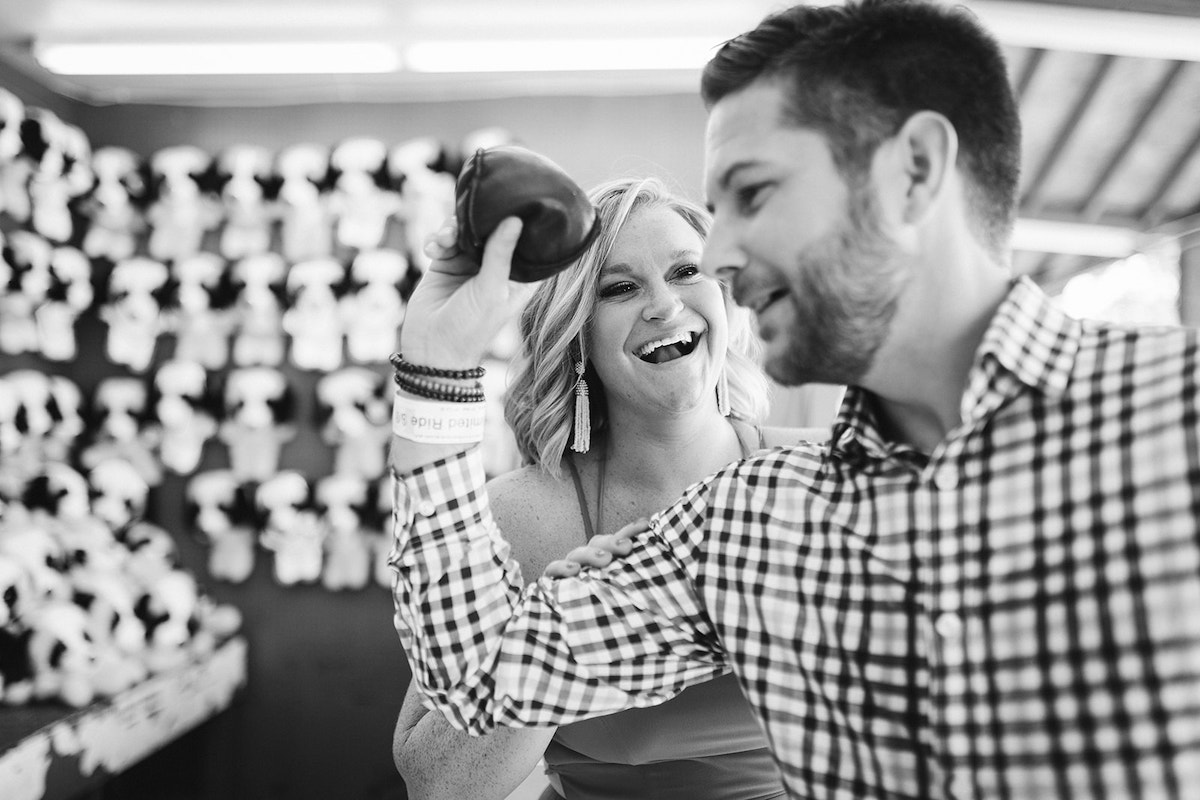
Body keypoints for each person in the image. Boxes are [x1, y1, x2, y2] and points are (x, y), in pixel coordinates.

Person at [387, 2, 1200, 798]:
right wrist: (437, 370)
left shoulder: (1175, 414)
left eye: (755, 193)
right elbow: (478, 685)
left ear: (913, 171)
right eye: (622, 287)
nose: (722, 256)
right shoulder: (749, 522)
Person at [393, 177, 810, 800]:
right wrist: (552, 632)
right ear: (578, 336)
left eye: (686, 271)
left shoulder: (816, 479)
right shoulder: (519, 516)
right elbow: (437, 784)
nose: (665, 305)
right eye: (621, 287)